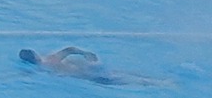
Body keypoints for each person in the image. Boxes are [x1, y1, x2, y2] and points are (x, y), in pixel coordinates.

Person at [19, 47, 169, 87]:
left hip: (88, 75)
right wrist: (85, 53)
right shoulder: (50, 58)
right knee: (121, 74)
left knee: (121, 80)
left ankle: (158, 83)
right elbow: (69, 49)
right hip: (89, 69)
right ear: (36, 54)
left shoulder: (44, 68)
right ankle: (158, 80)